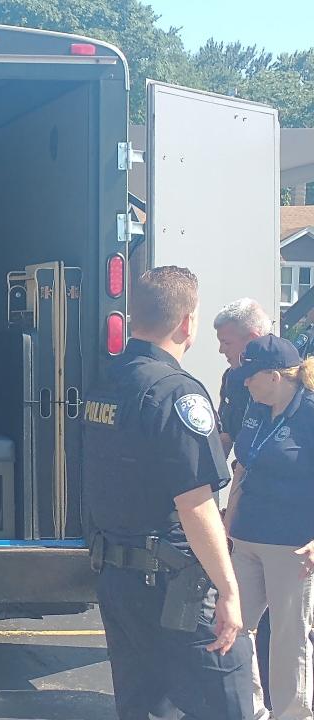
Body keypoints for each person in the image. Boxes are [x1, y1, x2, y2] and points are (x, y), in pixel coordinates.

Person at [83, 266, 253, 719]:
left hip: (118, 578)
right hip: (172, 586)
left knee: (144, 707)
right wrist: (228, 589)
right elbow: (196, 504)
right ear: (187, 322)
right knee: (228, 699)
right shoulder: (176, 392)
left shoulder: (108, 383)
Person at [226, 334, 314, 720]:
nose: (244, 382)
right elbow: (242, 466)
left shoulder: (310, 413)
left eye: (251, 376)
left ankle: (293, 715)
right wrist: (227, 524)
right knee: (233, 627)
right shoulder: (257, 408)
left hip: (292, 544)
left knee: (288, 637)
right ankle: (252, 711)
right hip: (247, 537)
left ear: (276, 376)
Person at [215, 299, 271, 457]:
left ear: (252, 340)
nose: (221, 350)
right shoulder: (231, 377)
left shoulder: (290, 380)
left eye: (226, 343)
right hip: (243, 476)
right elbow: (226, 435)